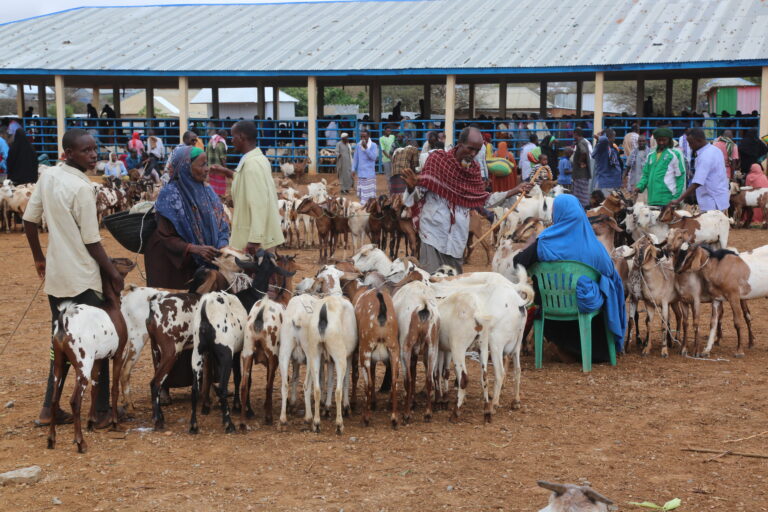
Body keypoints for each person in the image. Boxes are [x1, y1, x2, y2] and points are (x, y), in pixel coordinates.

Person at [23, 128, 124, 428]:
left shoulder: (49, 176)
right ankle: (102, 410)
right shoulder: (83, 189)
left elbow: (29, 221)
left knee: (62, 342)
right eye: (85, 150)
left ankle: (48, 409)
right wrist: (113, 273)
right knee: (99, 341)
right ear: (68, 153)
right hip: (83, 279)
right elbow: (93, 241)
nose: (93, 155)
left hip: (57, 279)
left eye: (94, 149)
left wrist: (39, 258)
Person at [401, 127, 532, 273]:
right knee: (432, 284)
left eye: (477, 150)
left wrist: (514, 190)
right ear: (460, 143)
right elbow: (419, 194)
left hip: (457, 240)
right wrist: (412, 188)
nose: (473, 154)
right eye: (470, 149)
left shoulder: (473, 171)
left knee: (454, 287)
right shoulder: (436, 161)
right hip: (433, 234)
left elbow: (484, 199)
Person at [512, 194, 626, 361]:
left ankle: (562, 345)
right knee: (608, 285)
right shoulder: (593, 246)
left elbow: (518, 263)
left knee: (541, 293)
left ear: (557, 214)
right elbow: (609, 271)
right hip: (587, 309)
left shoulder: (544, 242)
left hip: (553, 311)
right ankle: (599, 347)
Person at [144, 146, 230, 288]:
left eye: (207, 164)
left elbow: (222, 224)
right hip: (173, 265)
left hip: (205, 262)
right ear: (185, 167)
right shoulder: (170, 196)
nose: (207, 169)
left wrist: (220, 245)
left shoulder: (208, 192)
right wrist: (194, 248)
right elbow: (166, 236)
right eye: (202, 165)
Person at [210, 120, 283, 253]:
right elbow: (246, 182)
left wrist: (254, 240)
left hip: (256, 240)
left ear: (241, 137)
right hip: (261, 234)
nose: (231, 141)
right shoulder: (258, 159)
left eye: (233, 136)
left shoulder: (252, 165)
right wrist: (227, 172)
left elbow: (259, 203)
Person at [668, 128, 729, 213]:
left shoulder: (705, 156)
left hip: (711, 201)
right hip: (719, 198)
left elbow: (697, 182)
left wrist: (679, 199)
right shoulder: (715, 150)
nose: (689, 146)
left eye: (691, 143)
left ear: (699, 140)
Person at [634, 128, 685, 206]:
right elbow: (646, 175)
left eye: (664, 140)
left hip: (668, 199)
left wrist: (677, 198)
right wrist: (640, 186)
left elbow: (680, 177)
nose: (661, 142)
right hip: (652, 199)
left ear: (669, 140)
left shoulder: (675, 154)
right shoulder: (651, 155)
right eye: (659, 140)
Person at [591, 129, 623, 194]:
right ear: (608, 137)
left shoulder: (612, 148)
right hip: (605, 183)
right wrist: (599, 137)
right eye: (612, 137)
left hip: (614, 182)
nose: (614, 139)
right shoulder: (602, 147)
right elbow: (604, 140)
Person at [353, 129, 378, 204]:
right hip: (361, 174)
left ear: (368, 136)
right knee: (362, 197)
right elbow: (355, 158)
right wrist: (353, 169)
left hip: (369, 175)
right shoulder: (358, 145)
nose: (363, 138)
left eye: (364, 136)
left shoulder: (373, 145)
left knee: (370, 197)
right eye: (361, 137)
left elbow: (374, 157)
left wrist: (366, 148)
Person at [572, 128, 592, 207]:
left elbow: (583, 152)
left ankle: (582, 210)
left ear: (576, 134)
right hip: (582, 174)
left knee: (580, 195)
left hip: (580, 174)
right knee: (583, 194)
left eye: (574, 134)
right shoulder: (584, 141)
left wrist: (580, 161)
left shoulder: (581, 142)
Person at [205, 129, 228, 197]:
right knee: (220, 186)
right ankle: (220, 199)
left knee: (213, 185)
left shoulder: (210, 142)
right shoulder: (221, 143)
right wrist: (225, 169)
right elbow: (223, 158)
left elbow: (206, 156)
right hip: (219, 168)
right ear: (223, 135)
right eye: (226, 135)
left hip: (211, 168)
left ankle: (213, 198)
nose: (226, 137)